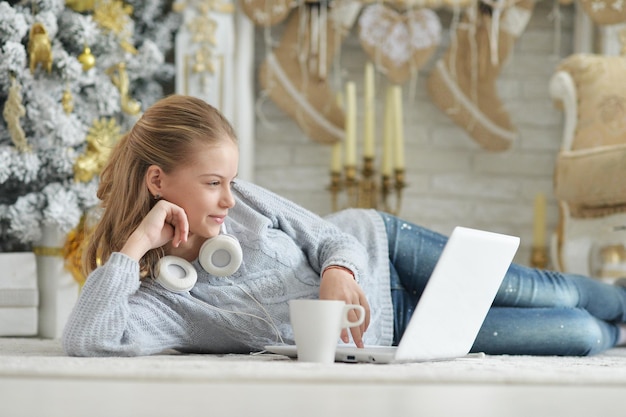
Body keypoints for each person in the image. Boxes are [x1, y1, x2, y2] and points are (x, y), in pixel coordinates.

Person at [62, 94, 626, 357]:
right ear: (159, 182)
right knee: (574, 334)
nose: (229, 199)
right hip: (395, 331)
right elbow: (88, 341)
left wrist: (336, 269)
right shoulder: (165, 303)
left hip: (385, 247)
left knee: (540, 286)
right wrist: (135, 246)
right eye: (213, 183)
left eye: (231, 181)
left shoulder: (247, 205)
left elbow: (334, 237)